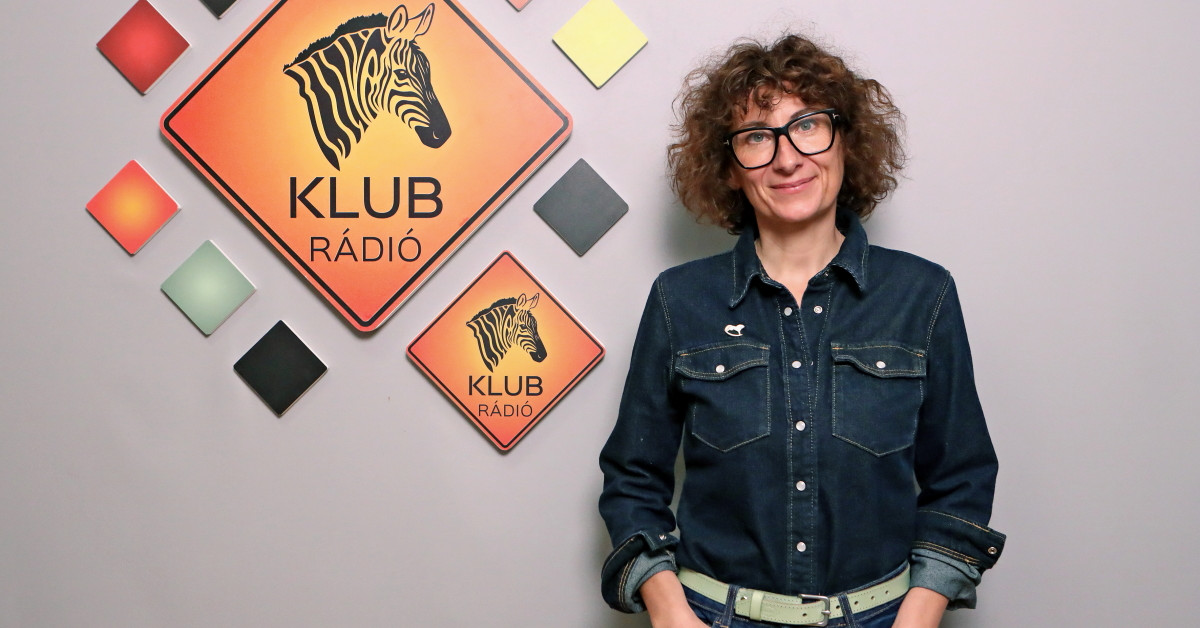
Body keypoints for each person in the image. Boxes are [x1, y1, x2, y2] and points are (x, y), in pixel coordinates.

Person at [598, 34, 1004, 628]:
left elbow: (962, 478)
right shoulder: (679, 300)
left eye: (808, 126)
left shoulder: (923, 295)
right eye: (756, 137)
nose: (786, 159)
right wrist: (670, 611)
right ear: (729, 169)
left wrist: (917, 616)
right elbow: (632, 480)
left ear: (846, 141)